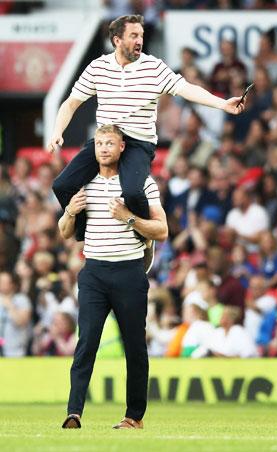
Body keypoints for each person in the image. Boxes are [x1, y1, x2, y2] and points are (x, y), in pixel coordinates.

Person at [47, 14, 244, 269]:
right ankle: (87, 235)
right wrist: (57, 131)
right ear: (117, 40)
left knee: (131, 191)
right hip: (105, 139)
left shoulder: (153, 67)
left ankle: (145, 240)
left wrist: (221, 103)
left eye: (141, 35)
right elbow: (71, 102)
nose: (140, 40)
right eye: (133, 36)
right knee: (62, 185)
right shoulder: (98, 67)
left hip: (138, 142)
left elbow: (186, 89)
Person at [58, 125, 168, 430]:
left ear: (122, 148)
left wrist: (129, 218)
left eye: (110, 143)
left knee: (134, 346)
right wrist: (68, 212)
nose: (104, 148)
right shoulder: (84, 185)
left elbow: (162, 230)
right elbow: (66, 233)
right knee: (87, 342)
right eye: (100, 143)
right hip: (93, 271)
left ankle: (134, 417)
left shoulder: (141, 184)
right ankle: (74, 412)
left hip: (129, 271)